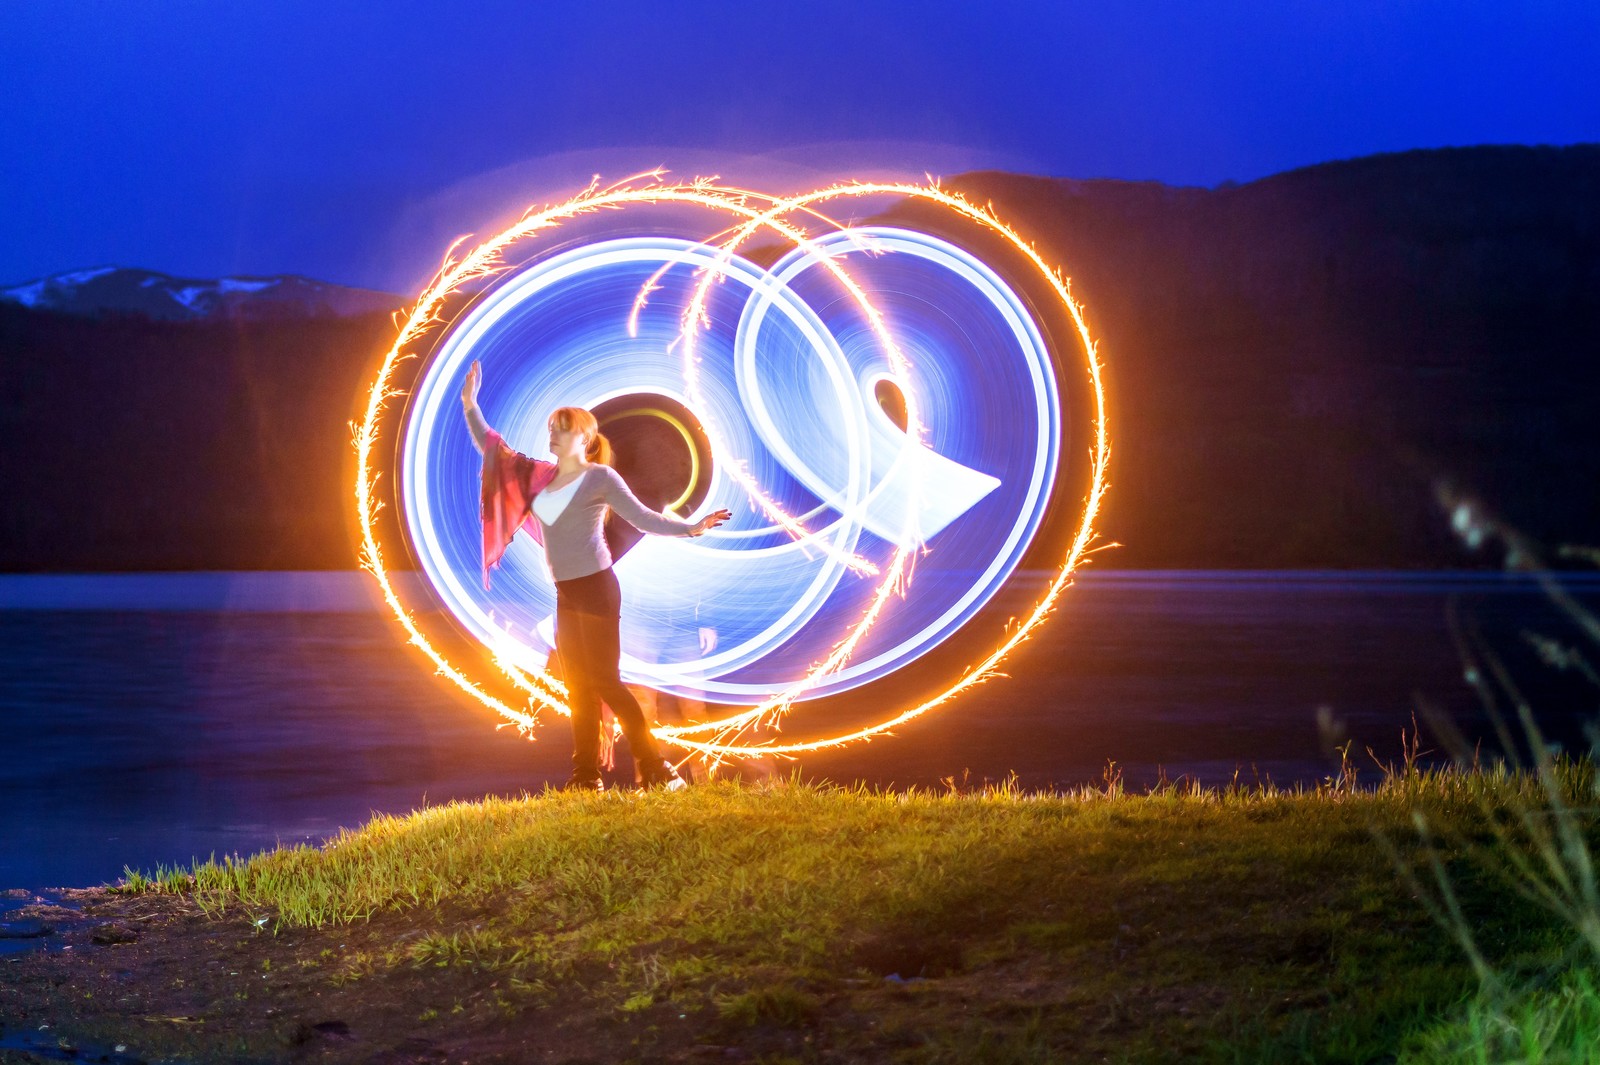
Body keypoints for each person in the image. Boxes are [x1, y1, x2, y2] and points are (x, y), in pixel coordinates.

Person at [460, 359, 731, 791]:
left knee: (606, 682)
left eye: (562, 427)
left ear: (583, 438)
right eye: (551, 426)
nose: (552, 433)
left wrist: (692, 527)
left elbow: (645, 518)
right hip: (566, 593)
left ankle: (657, 769)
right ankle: (584, 777)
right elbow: (493, 449)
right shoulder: (540, 478)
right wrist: (470, 405)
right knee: (578, 688)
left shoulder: (600, 478)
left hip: (598, 591)